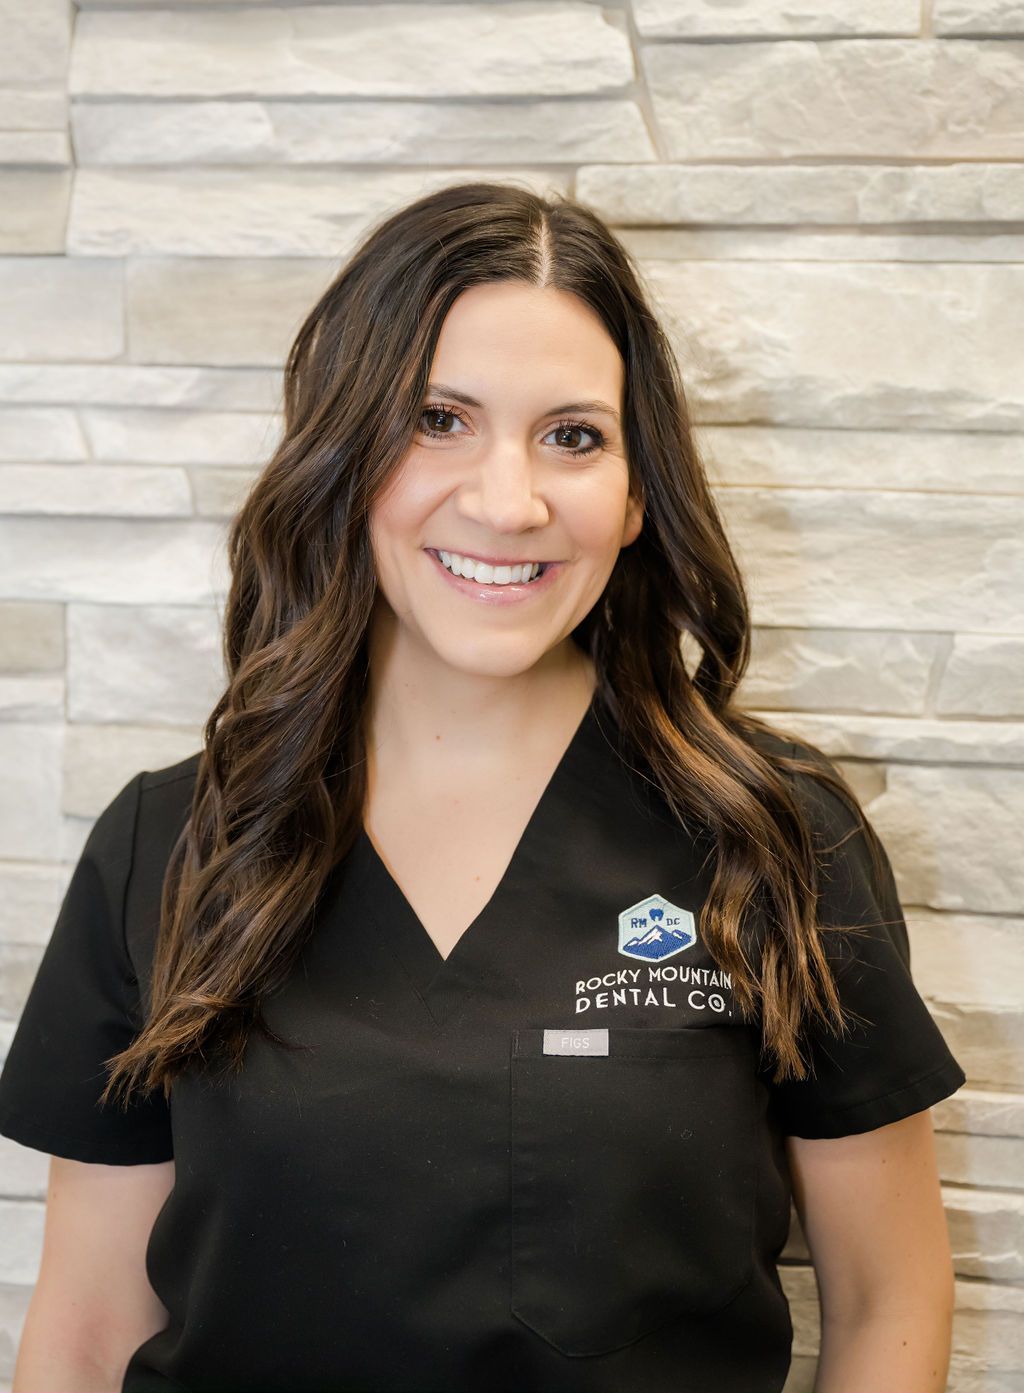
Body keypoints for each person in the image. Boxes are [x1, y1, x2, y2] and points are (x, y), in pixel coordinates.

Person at [0, 181, 965, 1393]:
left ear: (634, 498)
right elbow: (85, 1335)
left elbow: (889, 1301)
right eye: (438, 419)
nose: (507, 502)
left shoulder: (771, 835)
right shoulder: (170, 844)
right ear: (341, 456)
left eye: (573, 435)